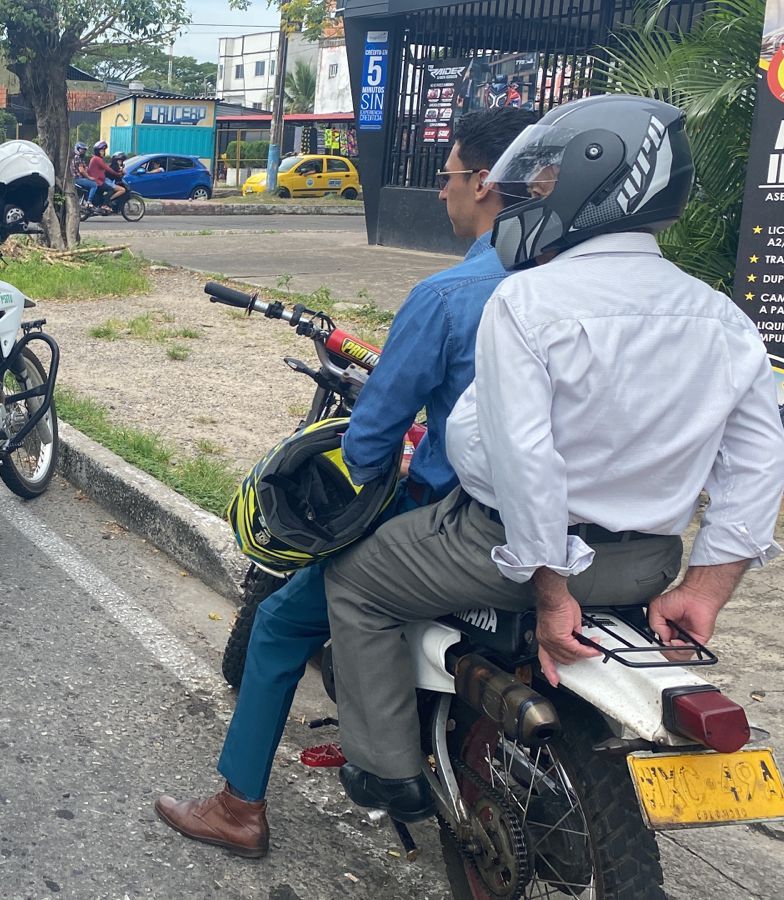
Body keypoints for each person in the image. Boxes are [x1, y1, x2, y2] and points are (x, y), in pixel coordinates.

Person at [322, 93, 784, 823]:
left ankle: (386, 772)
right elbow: (760, 462)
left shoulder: (531, 301)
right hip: (647, 561)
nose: (531, 193)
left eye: (545, 180)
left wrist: (552, 592)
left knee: (353, 584)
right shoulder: (721, 315)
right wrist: (706, 589)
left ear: (594, 182)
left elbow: (525, 459)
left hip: (503, 549)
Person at [152, 106, 541, 858]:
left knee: (281, 623)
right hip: (596, 537)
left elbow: (371, 441)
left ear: (487, 185)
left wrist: (364, 476)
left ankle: (239, 807)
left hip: (457, 521)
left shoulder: (450, 297)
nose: (442, 194)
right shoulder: (573, 287)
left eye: (448, 176)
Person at [86, 140, 115, 210]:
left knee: (101, 193)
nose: (103, 152)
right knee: (111, 189)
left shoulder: (96, 159)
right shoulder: (97, 159)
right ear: (97, 151)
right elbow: (107, 168)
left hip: (99, 181)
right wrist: (117, 174)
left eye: (103, 151)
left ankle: (99, 205)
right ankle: (104, 205)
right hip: (98, 181)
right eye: (101, 151)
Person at [71, 142, 96, 207]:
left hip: (78, 178)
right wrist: (89, 178)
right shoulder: (77, 157)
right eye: (82, 149)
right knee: (94, 185)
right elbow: (82, 170)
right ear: (77, 149)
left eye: (84, 150)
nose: (83, 151)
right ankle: (89, 201)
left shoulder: (76, 157)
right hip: (77, 179)